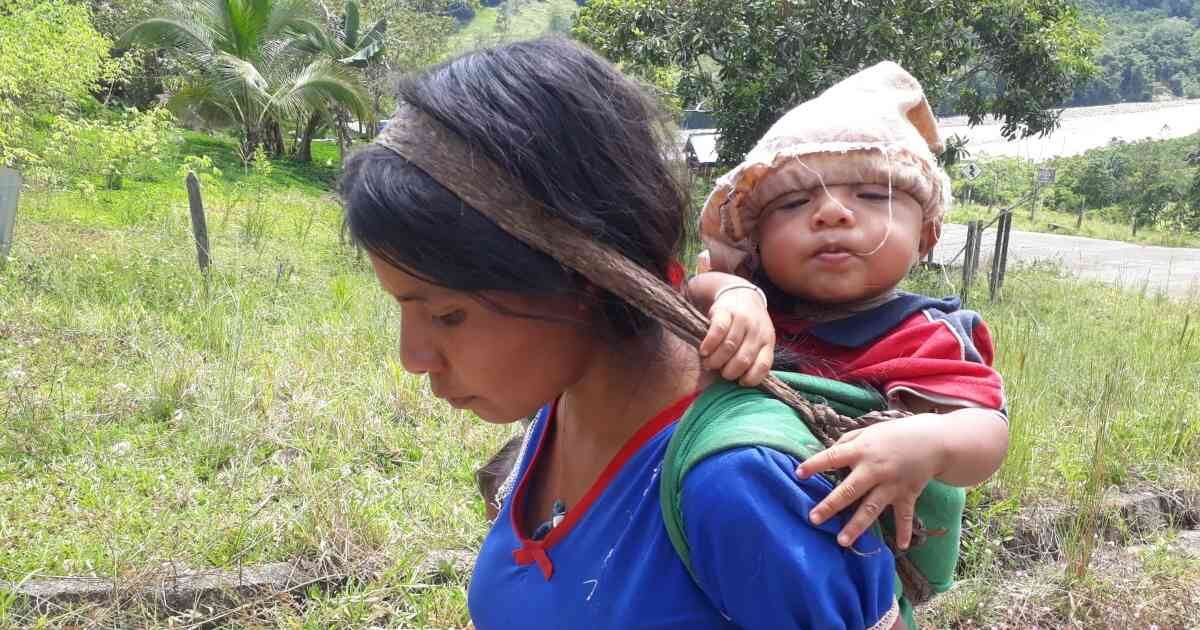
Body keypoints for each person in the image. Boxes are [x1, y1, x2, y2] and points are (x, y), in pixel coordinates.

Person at [342, 38, 904, 629]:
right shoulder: (563, 405)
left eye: (447, 315)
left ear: (581, 278)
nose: (413, 356)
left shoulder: (740, 488)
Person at [688, 61, 1010, 553]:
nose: (831, 212)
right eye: (794, 203)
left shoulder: (927, 333)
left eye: (868, 195)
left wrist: (930, 442)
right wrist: (734, 293)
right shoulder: (757, 309)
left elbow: (987, 432)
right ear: (756, 242)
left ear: (927, 235)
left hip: (866, 564)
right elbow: (691, 298)